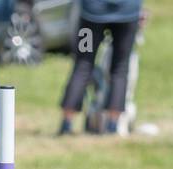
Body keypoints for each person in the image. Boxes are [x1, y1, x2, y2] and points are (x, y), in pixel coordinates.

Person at [57, 0, 143, 136]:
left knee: (82, 64)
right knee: (120, 67)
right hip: (127, 12)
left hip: (92, 13)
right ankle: (113, 125)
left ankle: (67, 123)